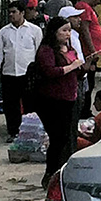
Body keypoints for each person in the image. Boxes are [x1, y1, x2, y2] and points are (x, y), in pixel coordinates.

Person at [34, 13, 88, 189]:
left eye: (69, 31)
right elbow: (50, 71)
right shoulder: (46, 50)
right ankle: (51, 173)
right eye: (64, 31)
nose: (67, 34)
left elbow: (77, 73)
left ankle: (63, 172)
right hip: (52, 100)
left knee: (68, 137)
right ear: (54, 32)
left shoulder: (70, 49)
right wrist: (71, 66)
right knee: (58, 138)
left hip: (70, 97)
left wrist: (82, 67)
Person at [0, 1, 43, 141]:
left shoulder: (34, 30)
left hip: (28, 74)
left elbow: (39, 51)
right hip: (9, 72)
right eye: (9, 12)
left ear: (22, 13)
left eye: (14, 12)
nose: (11, 15)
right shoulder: (4, 32)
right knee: (10, 105)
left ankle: (30, 131)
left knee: (30, 103)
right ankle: (13, 131)